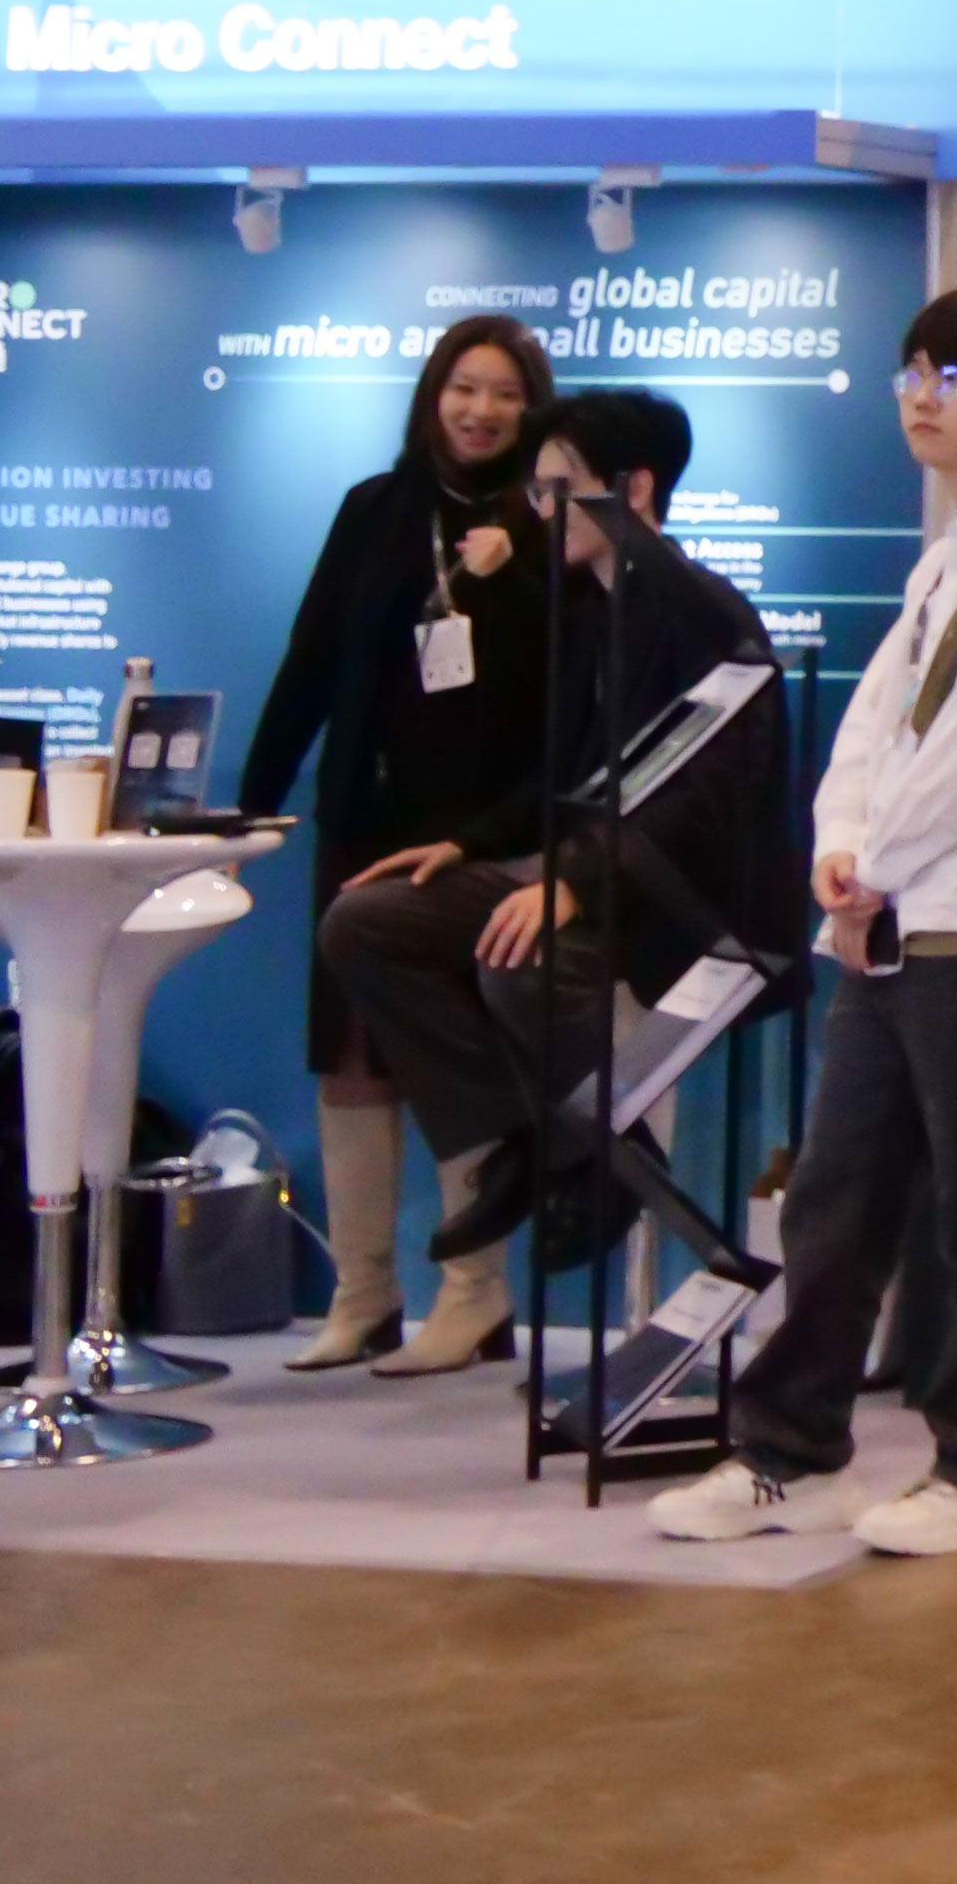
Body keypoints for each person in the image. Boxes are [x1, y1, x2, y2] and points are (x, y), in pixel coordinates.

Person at [651, 287, 957, 1561]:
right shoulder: (955, 550)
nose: (921, 395)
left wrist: (872, 868)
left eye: (953, 375)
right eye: (912, 369)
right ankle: (790, 1451)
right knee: (836, 1197)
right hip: (896, 916)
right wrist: (842, 850)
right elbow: (875, 726)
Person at [317, 389, 798, 1273]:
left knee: (521, 961)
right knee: (365, 922)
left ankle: (597, 1157)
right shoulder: (586, 612)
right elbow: (560, 774)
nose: (542, 510)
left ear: (634, 488)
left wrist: (574, 881)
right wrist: (467, 845)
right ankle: (537, 1142)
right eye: (536, 492)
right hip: (601, 877)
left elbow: (712, 791)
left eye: (557, 489)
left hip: (685, 905)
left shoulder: (704, 612)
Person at [236, 312, 555, 1374]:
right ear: (432, 395)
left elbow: (575, 688)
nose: (481, 410)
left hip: (472, 838)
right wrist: (252, 803)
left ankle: (474, 1295)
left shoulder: (547, 523)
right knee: (351, 1057)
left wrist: (515, 566)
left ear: (531, 409)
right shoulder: (374, 508)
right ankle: (364, 1295)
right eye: (465, 387)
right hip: (362, 822)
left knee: (455, 1050)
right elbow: (311, 659)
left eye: (505, 392)